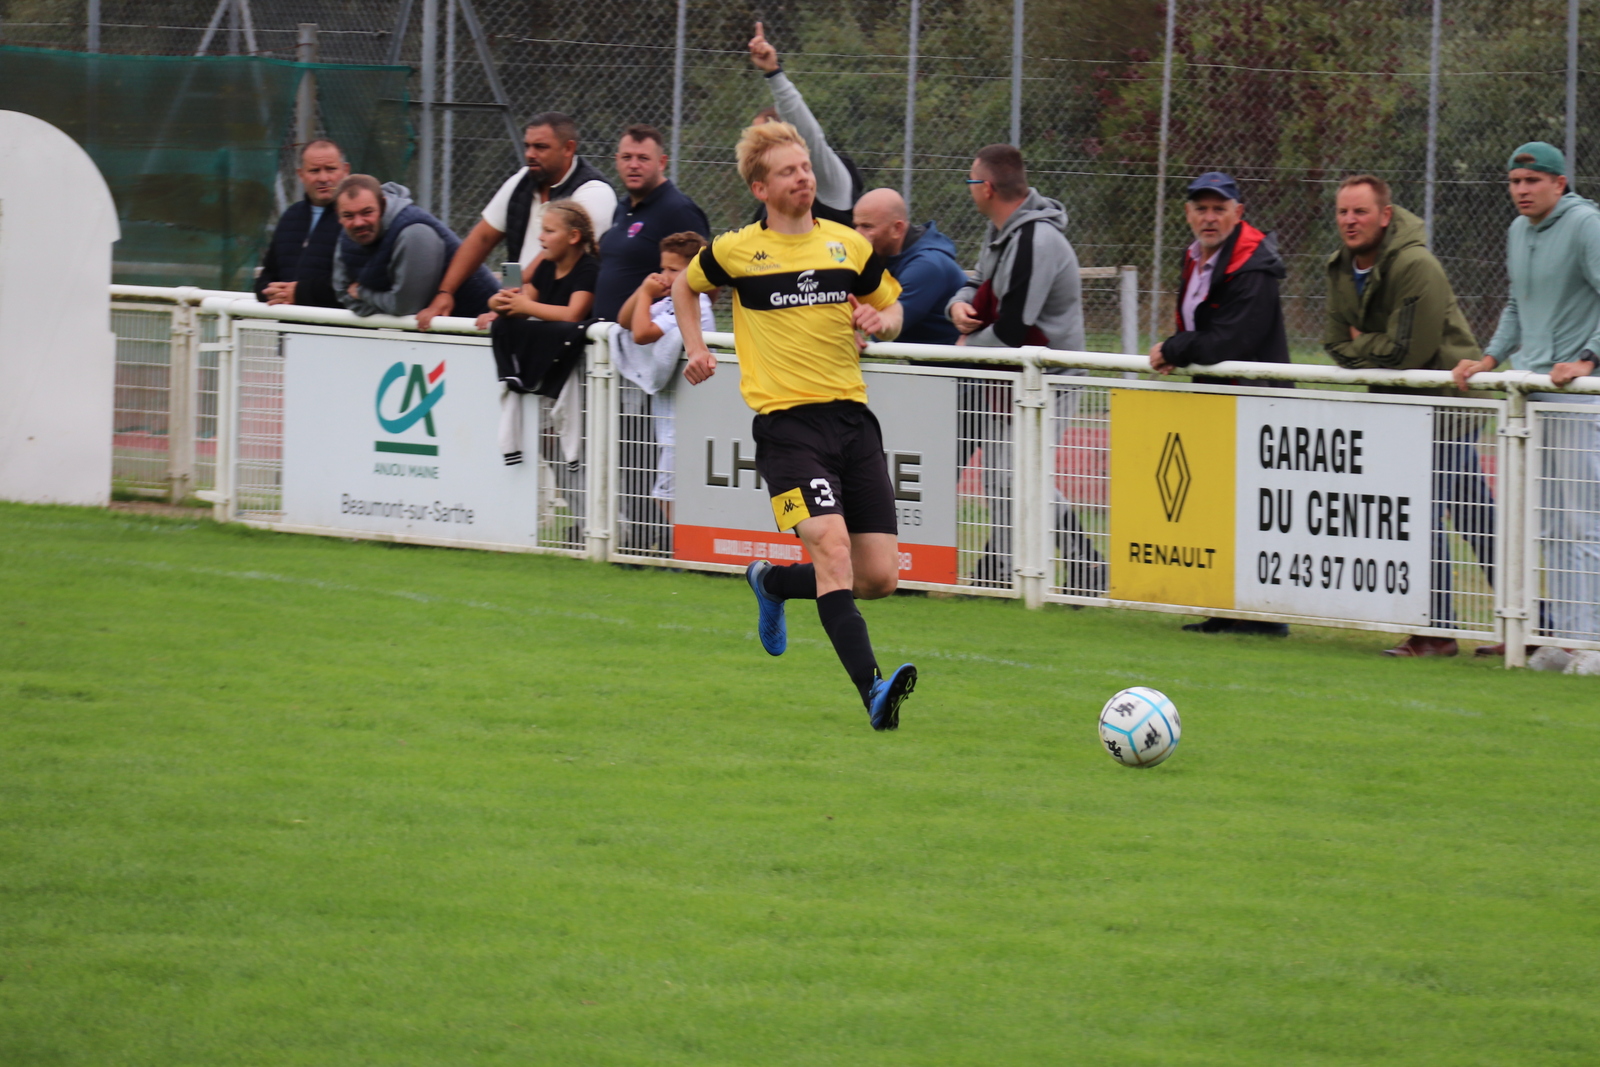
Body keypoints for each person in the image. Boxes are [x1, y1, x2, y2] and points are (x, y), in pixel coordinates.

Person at [672, 120, 916, 731]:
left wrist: (881, 322)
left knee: (879, 577)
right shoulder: (736, 251)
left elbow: (892, 306)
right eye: (787, 171)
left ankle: (774, 583)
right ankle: (874, 691)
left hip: (854, 424)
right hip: (786, 432)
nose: (803, 177)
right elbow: (683, 284)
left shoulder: (847, 245)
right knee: (832, 549)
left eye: (805, 167)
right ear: (761, 188)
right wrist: (695, 346)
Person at [1323, 173, 1492, 658]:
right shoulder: (1339, 266)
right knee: (1477, 519)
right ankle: (1538, 622)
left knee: (1425, 517)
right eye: (1343, 211)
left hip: (1448, 408)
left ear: (1385, 216)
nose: (1350, 221)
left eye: (1360, 211)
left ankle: (1436, 632)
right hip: (1402, 414)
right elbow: (1333, 343)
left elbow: (1408, 354)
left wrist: (1362, 343)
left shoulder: (1417, 264)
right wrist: (1368, 346)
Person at [1454, 141, 1600, 652]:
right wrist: (1489, 358)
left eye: (1532, 181)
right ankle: (1564, 642)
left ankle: (1590, 643)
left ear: (1559, 183)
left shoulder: (1586, 224)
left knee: (1582, 524)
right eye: (1515, 182)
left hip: (1577, 397)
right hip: (1531, 393)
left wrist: (1588, 359)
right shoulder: (1518, 229)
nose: (1521, 190)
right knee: (1550, 526)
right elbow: (1517, 304)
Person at [1148, 171, 1291, 637]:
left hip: (1255, 400)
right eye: (1201, 209)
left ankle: (1264, 614)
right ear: (1188, 213)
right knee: (1218, 505)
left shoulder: (1254, 266)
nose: (1209, 218)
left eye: (1219, 209)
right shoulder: (1194, 257)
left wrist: (1174, 348)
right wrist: (1182, 347)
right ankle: (1227, 607)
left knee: (1252, 509)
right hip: (1217, 397)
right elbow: (1201, 328)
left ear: (1238, 213)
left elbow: (1230, 340)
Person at [946, 145, 1086, 586]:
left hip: (1050, 379)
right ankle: (999, 573)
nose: (970, 189)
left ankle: (1083, 564)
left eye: (971, 181)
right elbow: (976, 281)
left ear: (987, 188)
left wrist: (962, 349)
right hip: (1012, 375)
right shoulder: (1001, 230)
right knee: (1002, 476)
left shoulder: (1035, 240)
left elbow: (1012, 329)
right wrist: (958, 305)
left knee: (1017, 476)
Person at [416, 113, 614, 329]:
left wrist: (508, 304)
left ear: (568, 148)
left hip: (566, 332)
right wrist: (445, 293)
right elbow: (482, 238)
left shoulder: (594, 192)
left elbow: (547, 258)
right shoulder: (521, 181)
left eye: (540, 147)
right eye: (527, 146)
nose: (530, 154)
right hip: (520, 318)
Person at [610, 231, 717, 548]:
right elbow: (625, 320)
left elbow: (641, 333)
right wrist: (644, 291)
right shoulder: (671, 302)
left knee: (667, 493)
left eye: (673, 269)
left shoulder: (696, 306)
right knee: (670, 492)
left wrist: (646, 293)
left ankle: (693, 551)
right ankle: (691, 550)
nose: (664, 276)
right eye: (663, 268)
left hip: (685, 420)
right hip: (670, 420)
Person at [747, 21, 864, 227]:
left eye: (765, 140)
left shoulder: (828, 184)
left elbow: (809, 135)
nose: (757, 150)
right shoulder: (765, 213)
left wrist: (773, 73)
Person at [331, 175, 497, 319]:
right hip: (429, 329)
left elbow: (405, 308)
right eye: (348, 215)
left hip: (478, 324)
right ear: (338, 215)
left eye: (367, 212)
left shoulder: (414, 232)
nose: (358, 222)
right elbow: (343, 292)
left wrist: (362, 293)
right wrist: (383, 316)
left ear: (383, 205)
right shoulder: (347, 233)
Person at [593, 125, 710, 322]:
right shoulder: (622, 208)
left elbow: (705, 282)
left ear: (661, 162)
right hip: (609, 334)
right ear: (617, 161)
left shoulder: (679, 210)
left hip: (651, 336)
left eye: (643, 158)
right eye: (626, 157)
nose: (634, 165)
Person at [851, 188, 965, 345]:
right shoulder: (885, 257)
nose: (857, 235)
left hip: (965, 359)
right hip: (928, 358)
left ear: (897, 229)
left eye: (867, 227)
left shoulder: (927, 266)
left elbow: (885, 331)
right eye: (856, 226)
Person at [255, 139, 349, 308]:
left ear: (345, 171)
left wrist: (300, 293)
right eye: (314, 171)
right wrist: (269, 292)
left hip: (336, 324)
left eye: (330, 169)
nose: (323, 178)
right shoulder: (290, 217)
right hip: (287, 323)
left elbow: (355, 284)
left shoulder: (356, 220)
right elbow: (267, 276)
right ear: (301, 175)